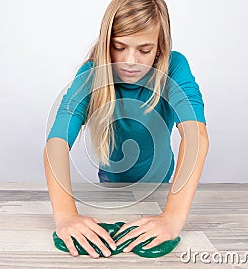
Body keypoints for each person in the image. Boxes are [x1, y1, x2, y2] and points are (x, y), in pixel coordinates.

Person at [43, 0, 209, 259]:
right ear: (107, 44)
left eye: (144, 49)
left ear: (159, 48)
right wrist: (66, 215)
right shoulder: (91, 74)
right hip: (110, 189)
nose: (131, 61)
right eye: (120, 47)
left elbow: (196, 135)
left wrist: (172, 217)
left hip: (162, 186)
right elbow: (56, 143)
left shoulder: (175, 67)